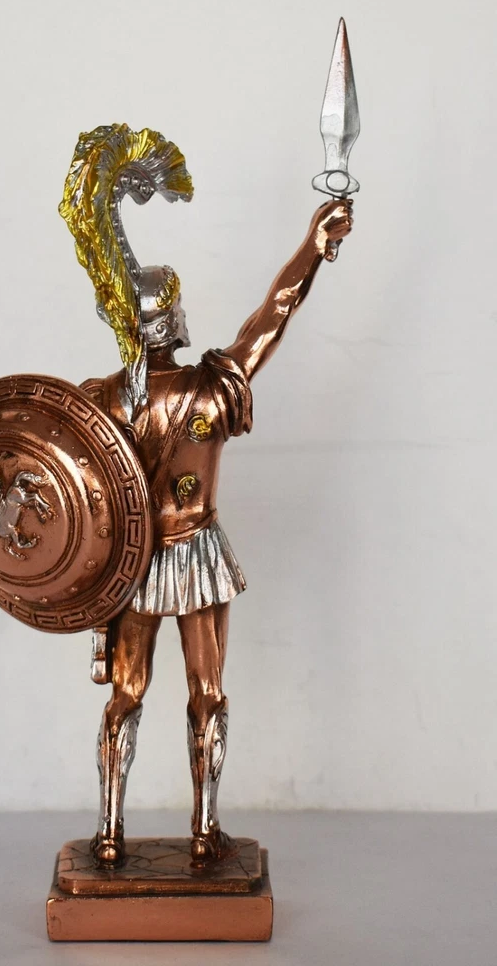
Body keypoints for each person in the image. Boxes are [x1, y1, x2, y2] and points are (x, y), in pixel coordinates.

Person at [59, 123, 353, 866]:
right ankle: (203, 828)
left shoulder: (102, 399)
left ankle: (110, 832)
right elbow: (273, 314)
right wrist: (314, 245)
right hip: (196, 552)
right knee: (208, 692)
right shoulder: (210, 388)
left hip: (130, 563)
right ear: (174, 320)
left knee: (125, 695)